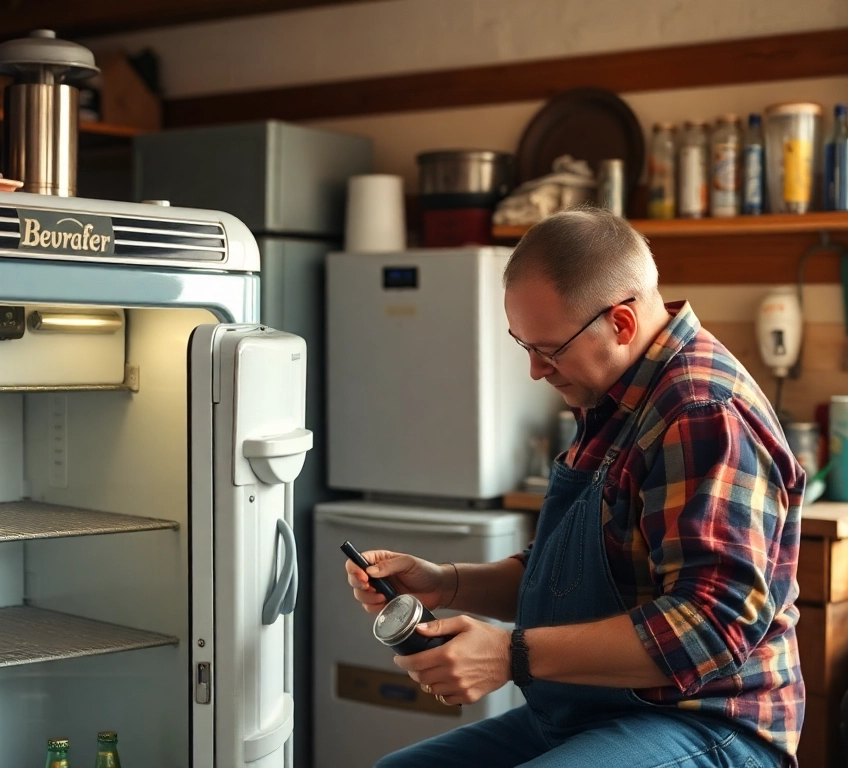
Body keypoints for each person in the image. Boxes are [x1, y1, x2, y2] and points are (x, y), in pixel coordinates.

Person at [345, 208, 804, 768]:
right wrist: (446, 582)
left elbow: (710, 626)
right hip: (596, 712)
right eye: (525, 346)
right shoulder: (612, 395)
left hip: (707, 721)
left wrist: (510, 654)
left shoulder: (701, 409)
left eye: (550, 349)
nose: (537, 370)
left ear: (622, 324)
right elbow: (572, 579)